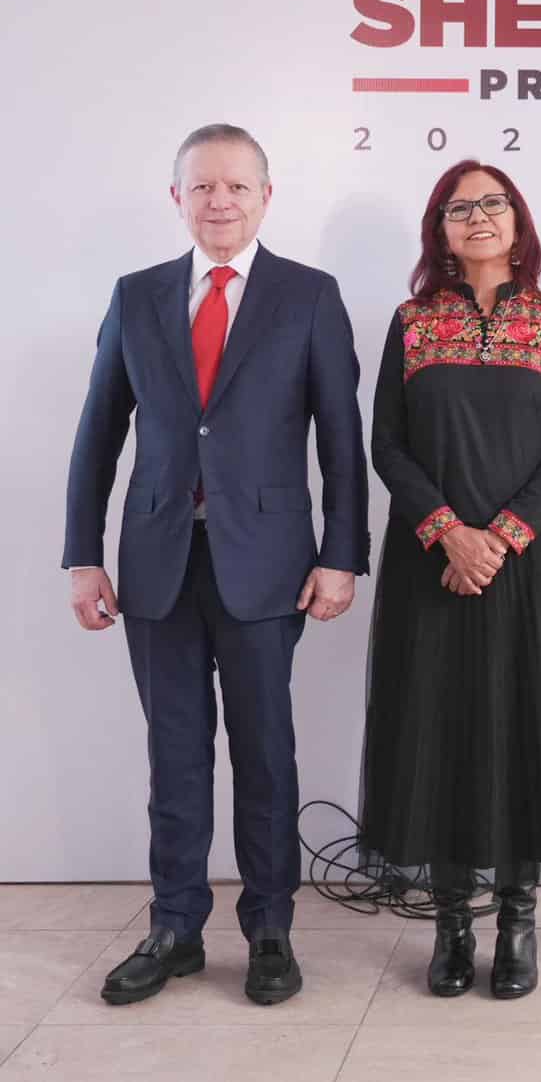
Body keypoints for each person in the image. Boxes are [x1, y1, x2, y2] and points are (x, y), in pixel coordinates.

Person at [64, 124, 370, 1006]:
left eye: (237, 186)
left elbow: (341, 440)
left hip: (268, 565)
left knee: (266, 753)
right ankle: (175, 927)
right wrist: (83, 556)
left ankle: (270, 928)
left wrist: (342, 557)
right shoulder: (137, 295)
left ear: (266, 197)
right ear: (178, 199)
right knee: (175, 754)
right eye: (202, 186)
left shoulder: (309, 296)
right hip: (156, 562)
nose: (220, 201)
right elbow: (98, 433)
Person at [361, 159, 541, 1000]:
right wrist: (448, 533)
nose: (479, 217)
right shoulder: (411, 321)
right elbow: (387, 443)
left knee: (525, 729)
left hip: (531, 561)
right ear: (439, 229)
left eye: (494, 203)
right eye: (460, 207)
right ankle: (450, 924)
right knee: (438, 728)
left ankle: (516, 922)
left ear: (518, 221)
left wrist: (498, 538)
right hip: (431, 562)